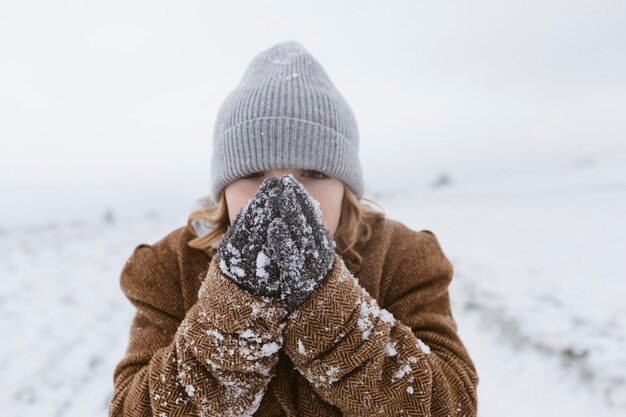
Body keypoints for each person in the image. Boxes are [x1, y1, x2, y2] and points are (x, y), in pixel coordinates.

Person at [108, 40, 479, 417]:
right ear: (222, 189)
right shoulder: (169, 269)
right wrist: (232, 318)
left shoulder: (404, 259)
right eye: (254, 174)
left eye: (313, 173)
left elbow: (453, 404)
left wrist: (332, 313)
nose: (284, 196)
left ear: (345, 187)